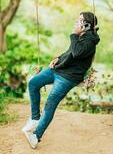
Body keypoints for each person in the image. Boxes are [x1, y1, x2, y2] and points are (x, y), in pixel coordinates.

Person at [22, 11, 100, 149]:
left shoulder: (89, 41)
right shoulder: (81, 36)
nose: (77, 21)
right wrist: (58, 58)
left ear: (87, 25)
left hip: (68, 77)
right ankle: (35, 118)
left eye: (80, 20)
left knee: (50, 103)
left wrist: (74, 34)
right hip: (58, 69)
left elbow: (76, 53)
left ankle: (36, 136)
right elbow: (70, 52)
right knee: (33, 83)